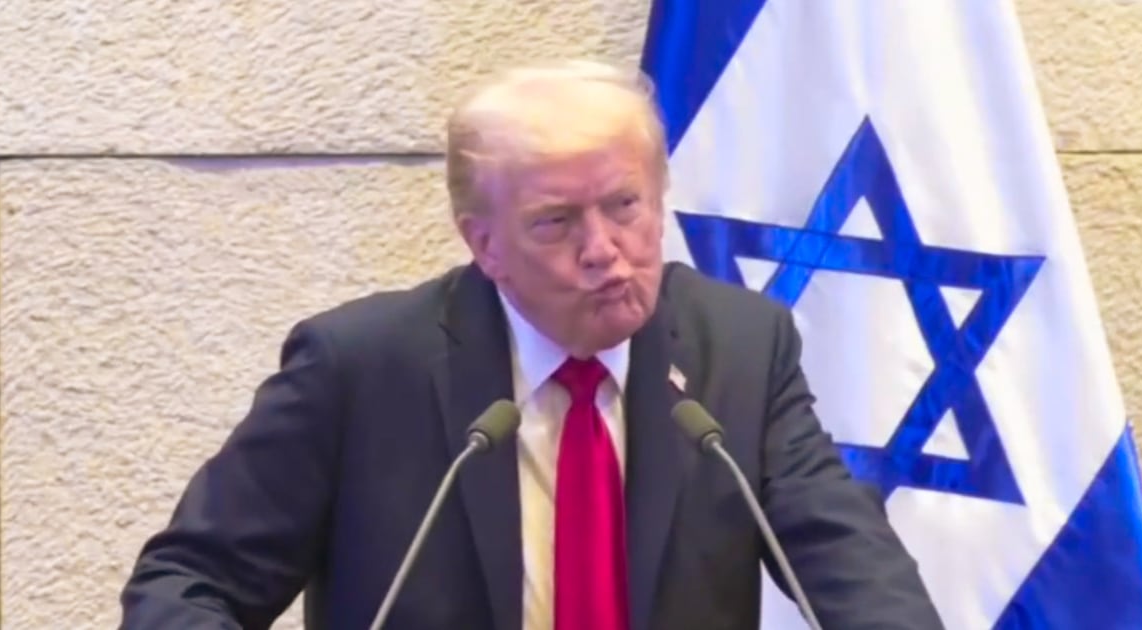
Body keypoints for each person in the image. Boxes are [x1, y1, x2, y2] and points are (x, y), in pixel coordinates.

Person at [119, 60, 943, 630]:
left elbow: (849, 563)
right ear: (484, 244)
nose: (603, 250)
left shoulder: (740, 346)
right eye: (556, 222)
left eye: (625, 206)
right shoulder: (360, 368)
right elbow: (187, 586)